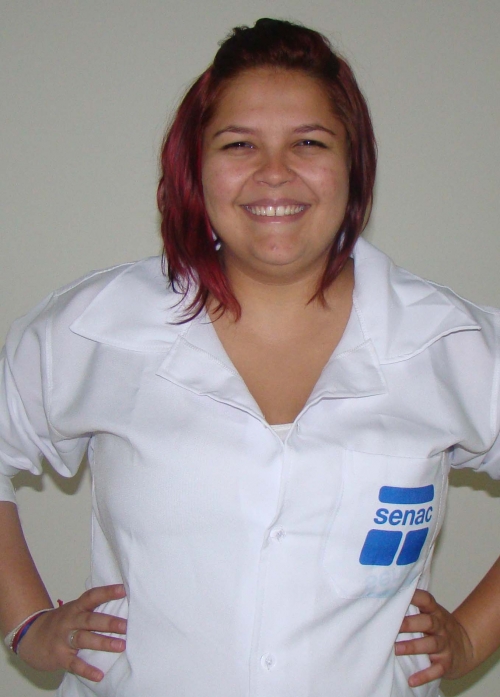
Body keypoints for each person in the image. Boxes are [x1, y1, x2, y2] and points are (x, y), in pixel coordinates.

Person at [0, 17, 499, 697]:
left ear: (352, 165)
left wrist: (469, 637)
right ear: (195, 167)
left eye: (309, 143)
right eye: (239, 144)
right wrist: (27, 625)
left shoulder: (445, 341)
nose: (274, 173)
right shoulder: (99, 327)